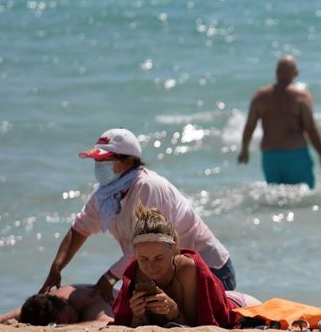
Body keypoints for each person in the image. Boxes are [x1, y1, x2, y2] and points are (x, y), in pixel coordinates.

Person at [40, 128, 235, 303]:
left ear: (129, 161)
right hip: (166, 271)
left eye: (105, 160)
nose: (99, 165)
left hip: (211, 271)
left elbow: (147, 243)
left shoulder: (148, 186)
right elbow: (80, 229)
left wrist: (109, 278)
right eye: (97, 161)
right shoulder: (105, 193)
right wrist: (56, 267)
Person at [111, 204, 238, 328]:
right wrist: (137, 315)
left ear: (174, 248)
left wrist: (173, 310)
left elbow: (197, 327)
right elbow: (131, 328)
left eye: (159, 258)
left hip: (234, 302)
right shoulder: (137, 272)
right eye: (143, 259)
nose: (151, 266)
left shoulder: (187, 269)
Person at [239, 55, 321, 189]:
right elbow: (311, 129)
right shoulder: (301, 96)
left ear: (276, 73)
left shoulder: (260, 97)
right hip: (296, 154)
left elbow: (250, 126)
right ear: (296, 73)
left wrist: (244, 150)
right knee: (304, 196)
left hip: (270, 156)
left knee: (277, 199)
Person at [0, 284, 113, 326]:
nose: (69, 322)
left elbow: (107, 323)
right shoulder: (41, 305)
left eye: (63, 320)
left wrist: (61, 326)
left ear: (64, 303)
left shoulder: (91, 303)